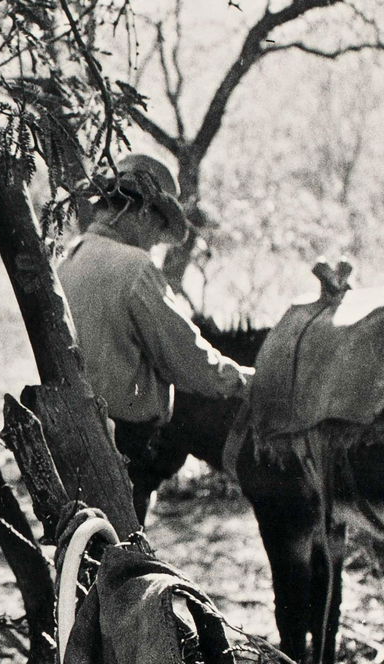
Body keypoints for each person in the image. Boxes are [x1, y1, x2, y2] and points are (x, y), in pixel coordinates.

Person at [57, 153, 251, 465]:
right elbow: (183, 355)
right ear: (145, 213)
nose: (155, 242)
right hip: (124, 442)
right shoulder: (134, 266)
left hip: (75, 432)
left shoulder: (67, 260)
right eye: (158, 229)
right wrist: (240, 380)